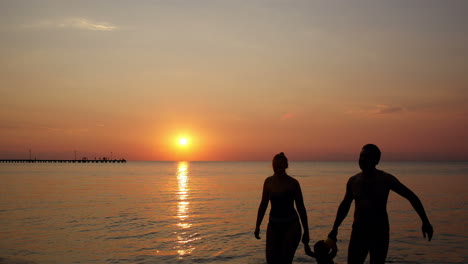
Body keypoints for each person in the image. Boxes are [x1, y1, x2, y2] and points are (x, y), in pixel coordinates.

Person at [328, 144, 433, 264]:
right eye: (361, 156)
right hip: (359, 231)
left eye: (367, 157)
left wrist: (425, 221)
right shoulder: (353, 181)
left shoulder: (385, 179)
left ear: (376, 160)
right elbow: (345, 206)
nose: (362, 159)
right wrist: (334, 229)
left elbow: (411, 196)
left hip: (379, 231)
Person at [254, 152, 310, 264]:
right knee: (271, 260)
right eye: (275, 165)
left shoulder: (293, 183)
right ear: (273, 166)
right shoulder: (268, 182)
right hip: (273, 225)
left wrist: (306, 231)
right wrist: (257, 226)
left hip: (291, 225)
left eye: (280, 165)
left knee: (285, 261)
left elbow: (301, 207)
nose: (278, 168)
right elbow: (263, 204)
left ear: (286, 166)